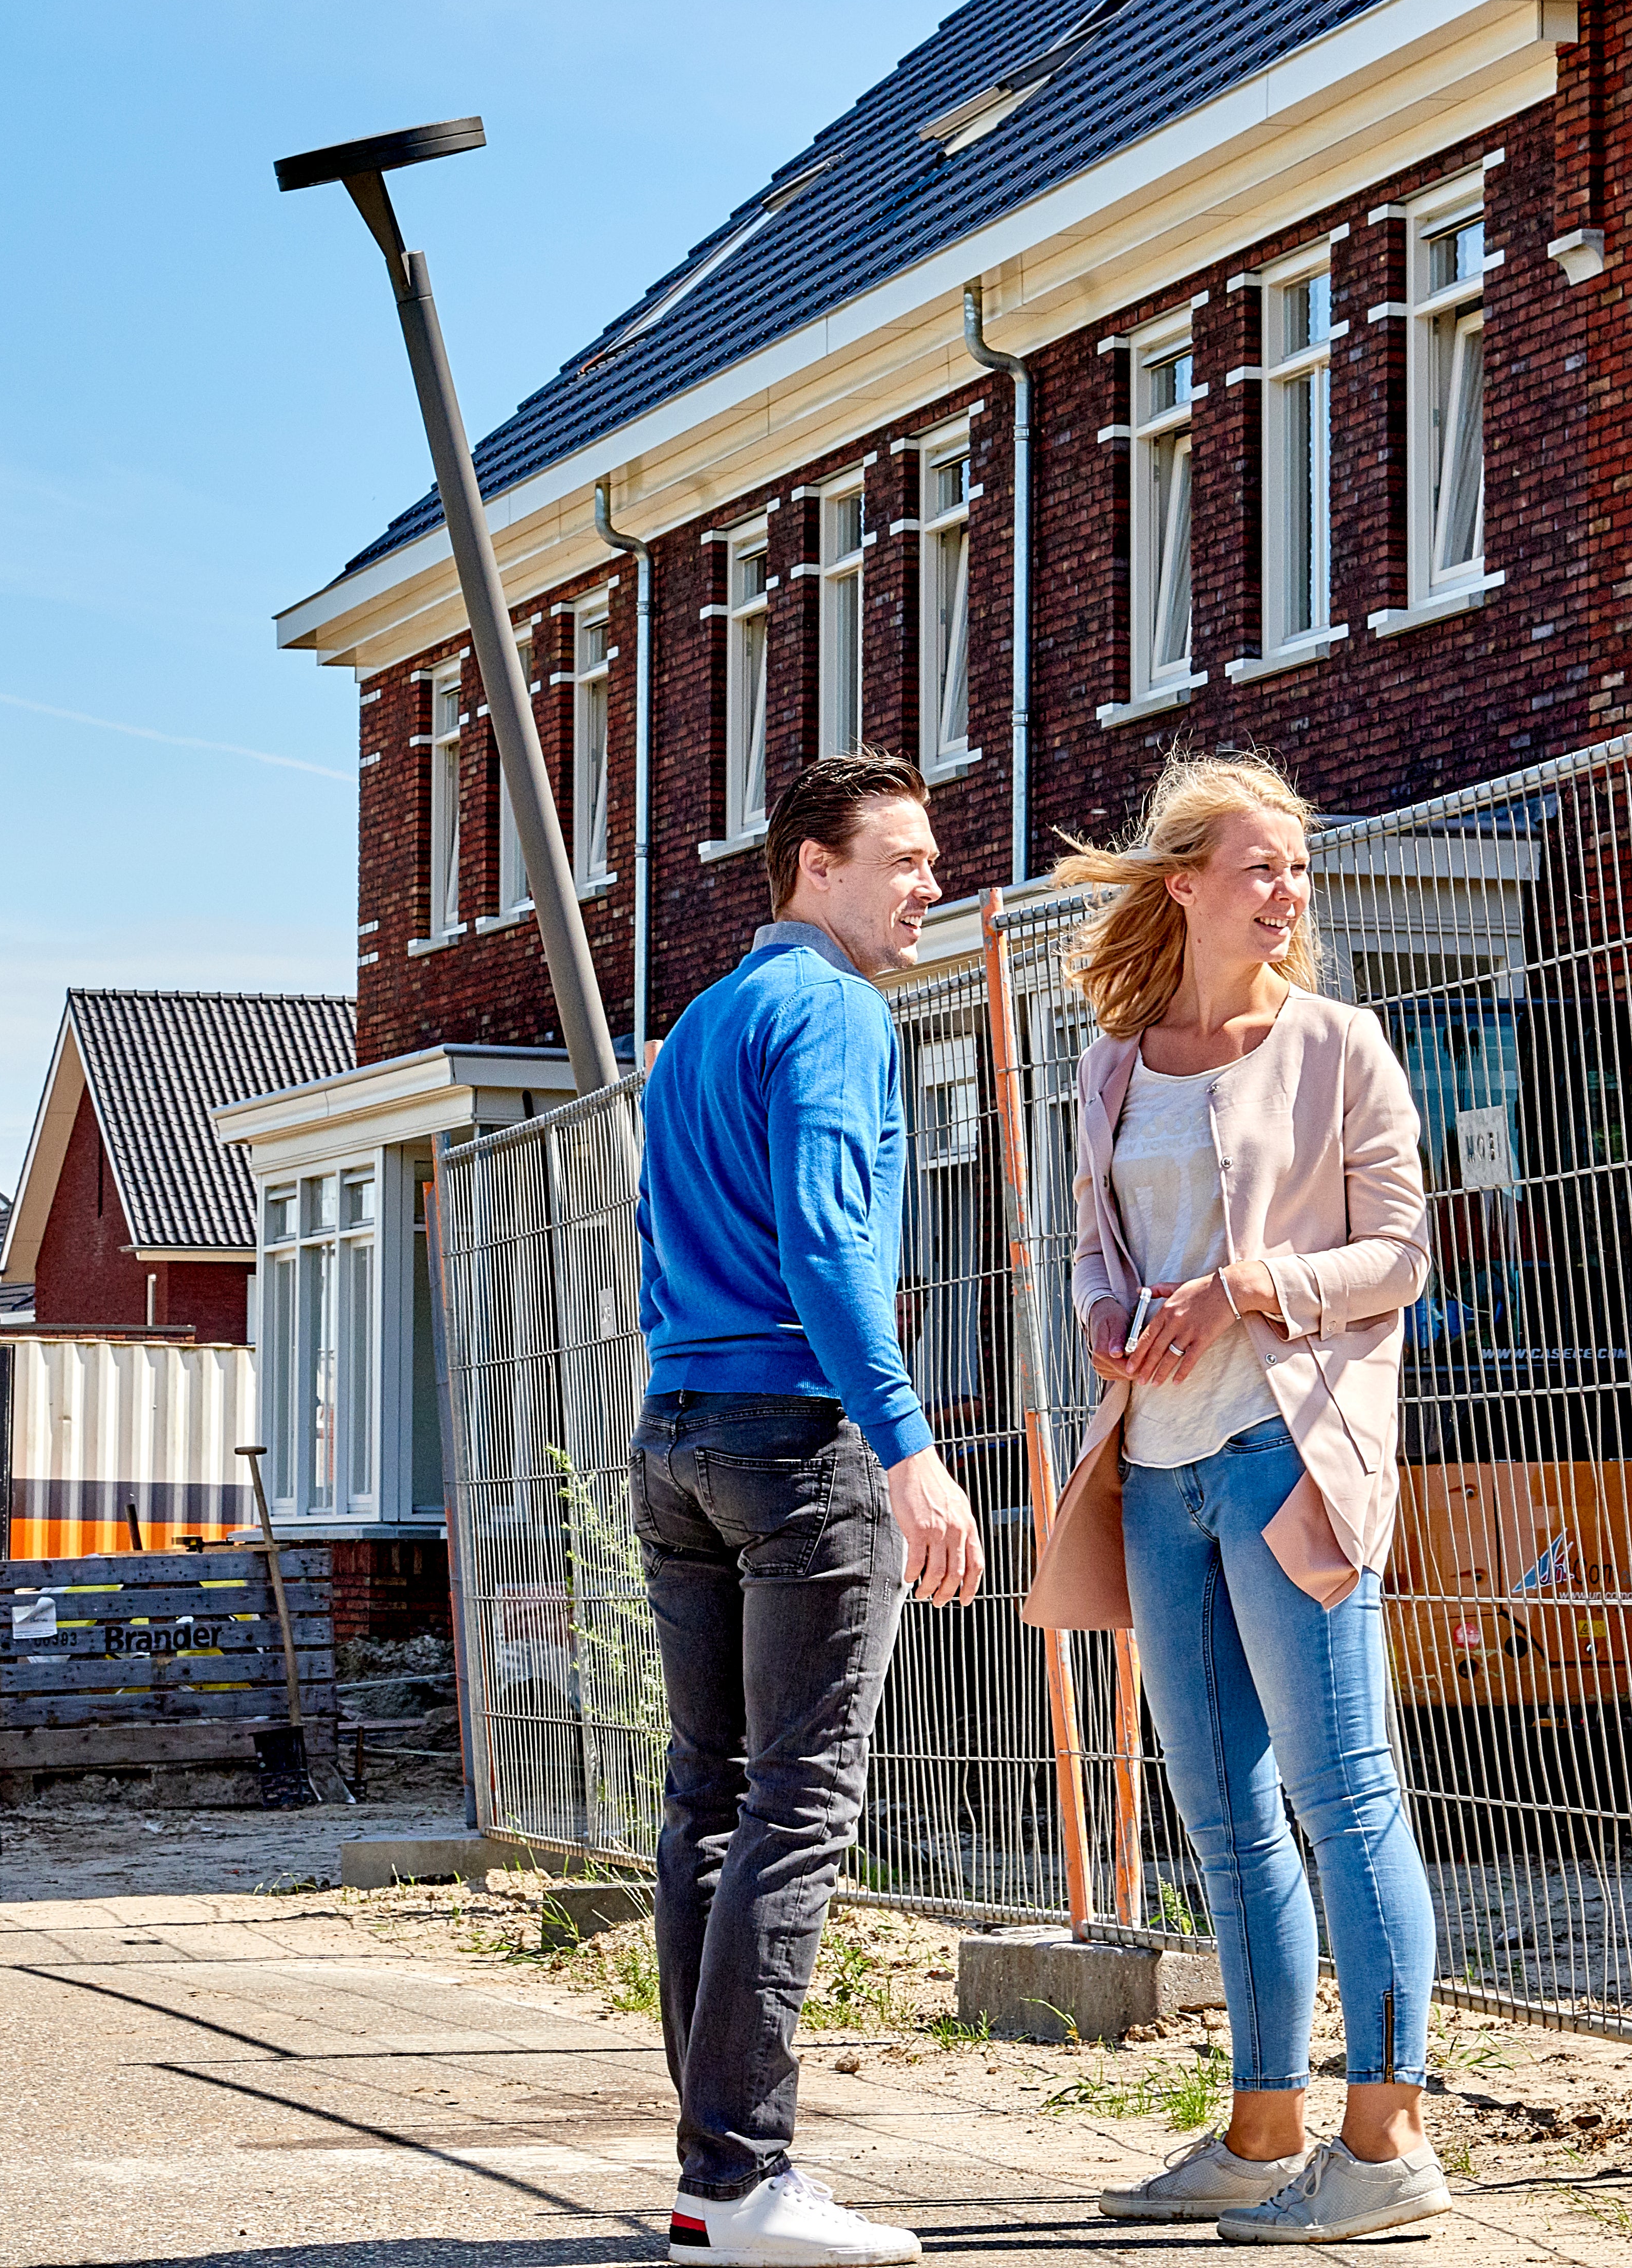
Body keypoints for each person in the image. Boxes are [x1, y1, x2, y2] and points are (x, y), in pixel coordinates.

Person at [1018, 754, 1444, 2245]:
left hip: (1286, 1462)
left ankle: (1383, 2142)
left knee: (1344, 1795)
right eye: (1261, 866)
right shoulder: (1118, 1057)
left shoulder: (1341, 1048)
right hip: (1156, 1469)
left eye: (1299, 870)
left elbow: (1399, 1256)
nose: (1289, 892)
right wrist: (1105, 1311)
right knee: (1222, 1810)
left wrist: (1252, 1283)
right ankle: (1266, 2129)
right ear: (1184, 882)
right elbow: (1085, 1245)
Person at [634, 751, 988, 2268]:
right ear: (811, 867)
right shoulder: (835, 1010)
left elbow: (664, 1235)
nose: (929, 884)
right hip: (795, 1443)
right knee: (798, 1801)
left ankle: (715, 2171)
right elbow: (832, 1245)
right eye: (901, 859)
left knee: (706, 1801)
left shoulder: (701, 1025)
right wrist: (908, 1447)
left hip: (676, 1431)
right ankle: (743, 2175)